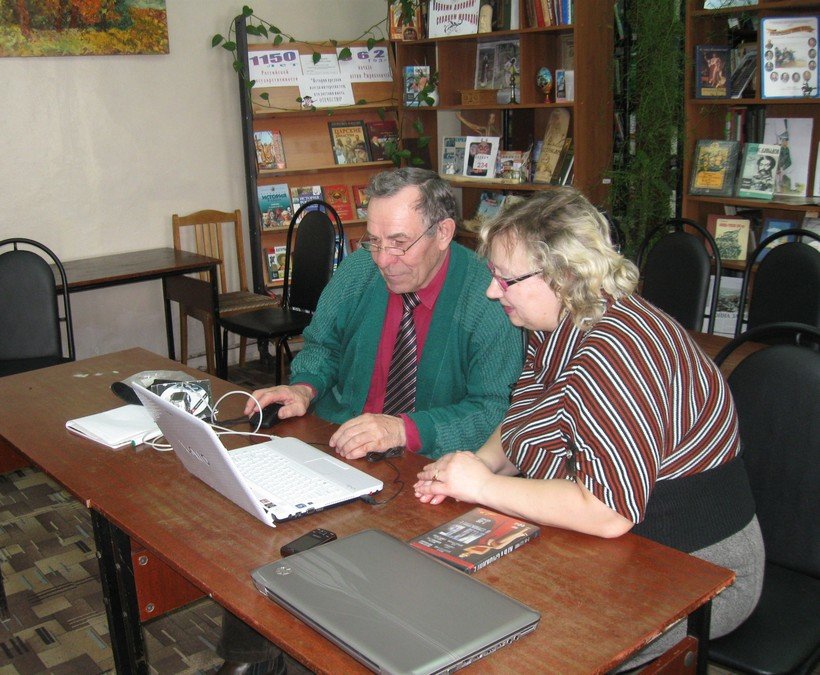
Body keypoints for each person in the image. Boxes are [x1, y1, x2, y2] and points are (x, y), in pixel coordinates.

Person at [414, 188, 765, 669]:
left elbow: (607, 511)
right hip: (616, 547)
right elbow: (525, 419)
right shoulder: (558, 322)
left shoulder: (618, 352)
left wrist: (482, 486)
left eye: (505, 279)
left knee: (513, 652)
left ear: (563, 275)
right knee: (456, 604)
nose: (493, 291)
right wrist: (480, 463)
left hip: (697, 568)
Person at [217, 167, 525, 674]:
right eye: (374, 242)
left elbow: (497, 411)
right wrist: (304, 387)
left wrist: (402, 427)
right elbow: (323, 344)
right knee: (261, 529)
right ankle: (253, 662)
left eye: (399, 243)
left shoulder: (486, 297)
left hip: (427, 471)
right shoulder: (362, 270)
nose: (384, 259)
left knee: (379, 595)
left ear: (444, 233)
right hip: (341, 444)